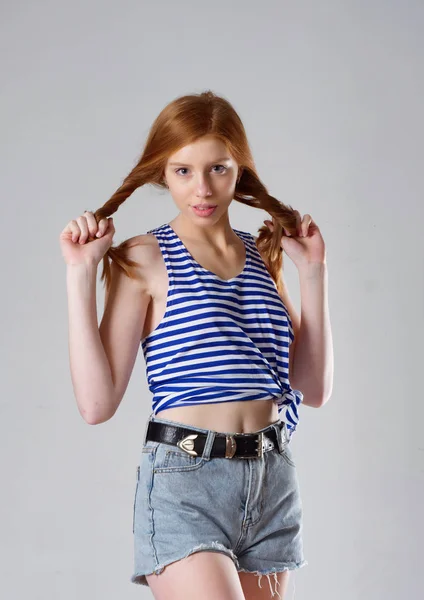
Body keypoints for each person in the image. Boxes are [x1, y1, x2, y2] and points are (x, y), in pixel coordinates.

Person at [59, 90, 333, 600]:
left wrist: (312, 272)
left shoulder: (263, 256)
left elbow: (313, 389)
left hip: (272, 481)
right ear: (161, 172)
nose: (202, 188)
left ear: (240, 170)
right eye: (183, 170)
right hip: (187, 483)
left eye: (218, 168)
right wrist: (80, 276)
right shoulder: (144, 257)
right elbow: (96, 405)